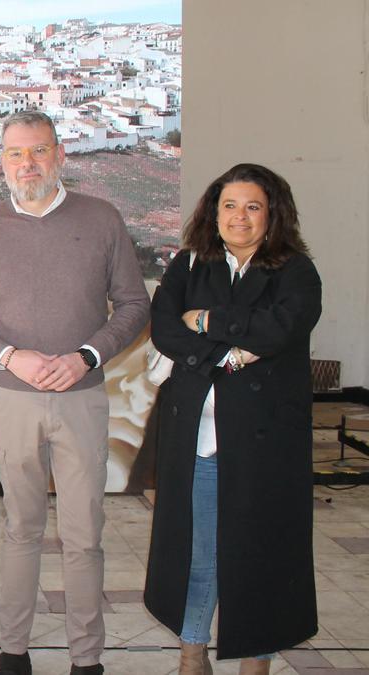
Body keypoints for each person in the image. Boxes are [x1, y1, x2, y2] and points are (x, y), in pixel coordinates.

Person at [0, 111, 150, 675]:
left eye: (38, 151)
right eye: (15, 153)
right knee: (20, 529)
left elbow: (134, 305)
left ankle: (86, 660)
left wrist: (86, 355)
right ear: (1, 162)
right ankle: (14, 654)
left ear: (61, 155)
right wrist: (11, 356)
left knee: (84, 534)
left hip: (82, 396)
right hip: (11, 398)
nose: (27, 164)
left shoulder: (102, 219)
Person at [143, 164, 321, 675]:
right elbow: (165, 330)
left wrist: (208, 322)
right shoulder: (189, 265)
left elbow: (279, 329)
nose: (238, 217)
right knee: (199, 555)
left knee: (258, 557)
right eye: (229, 205)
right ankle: (192, 654)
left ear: (273, 215)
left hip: (267, 444)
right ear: (212, 212)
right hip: (198, 439)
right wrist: (229, 353)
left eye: (252, 207)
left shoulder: (295, 271)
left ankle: (254, 662)